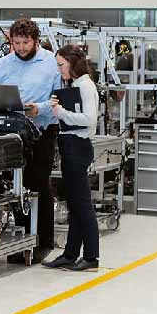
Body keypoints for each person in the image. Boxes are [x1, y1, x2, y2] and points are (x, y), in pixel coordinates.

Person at [0, 18, 60, 264]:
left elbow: (60, 98)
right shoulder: (4, 64)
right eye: (16, 43)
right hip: (12, 133)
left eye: (25, 42)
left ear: (35, 40)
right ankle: (22, 240)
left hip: (42, 131)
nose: (20, 47)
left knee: (37, 184)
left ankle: (43, 242)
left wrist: (39, 109)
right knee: (16, 187)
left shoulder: (51, 62)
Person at [43, 45, 100, 272]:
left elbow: (89, 119)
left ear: (72, 62)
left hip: (78, 146)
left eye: (61, 65)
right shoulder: (75, 85)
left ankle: (92, 257)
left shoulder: (85, 86)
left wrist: (62, 113)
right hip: (69, 145)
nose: (59, 70)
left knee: (82, 205)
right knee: (75, 205)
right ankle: (70, 254)